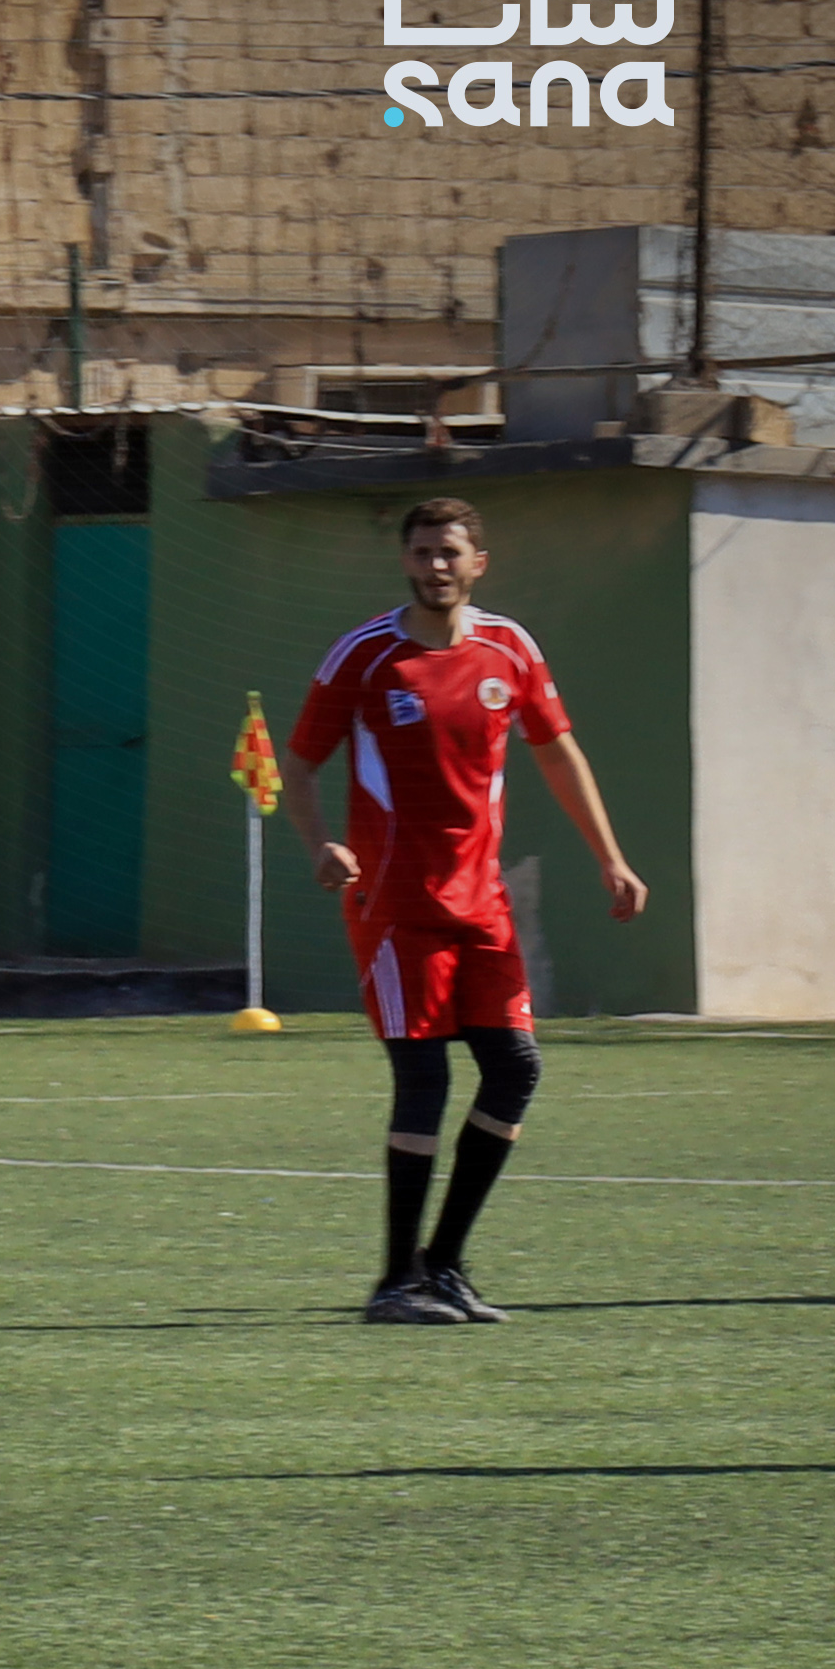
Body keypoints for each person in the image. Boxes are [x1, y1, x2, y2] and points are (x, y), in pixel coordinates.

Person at [283, 497, 646, 1326]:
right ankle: (393, 1283)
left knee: (514, 1070)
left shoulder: (508, 649)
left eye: (448, 552)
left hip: (481, 903)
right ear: (404, 562)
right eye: (421, 552)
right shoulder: (364, 655)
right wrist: (319, 845)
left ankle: (442, 1267)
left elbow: (556, 752)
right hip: (393, 906)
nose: (434, 566)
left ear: (478, 562)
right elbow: (299, 763)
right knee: (424, 1080)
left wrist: (610, 858)